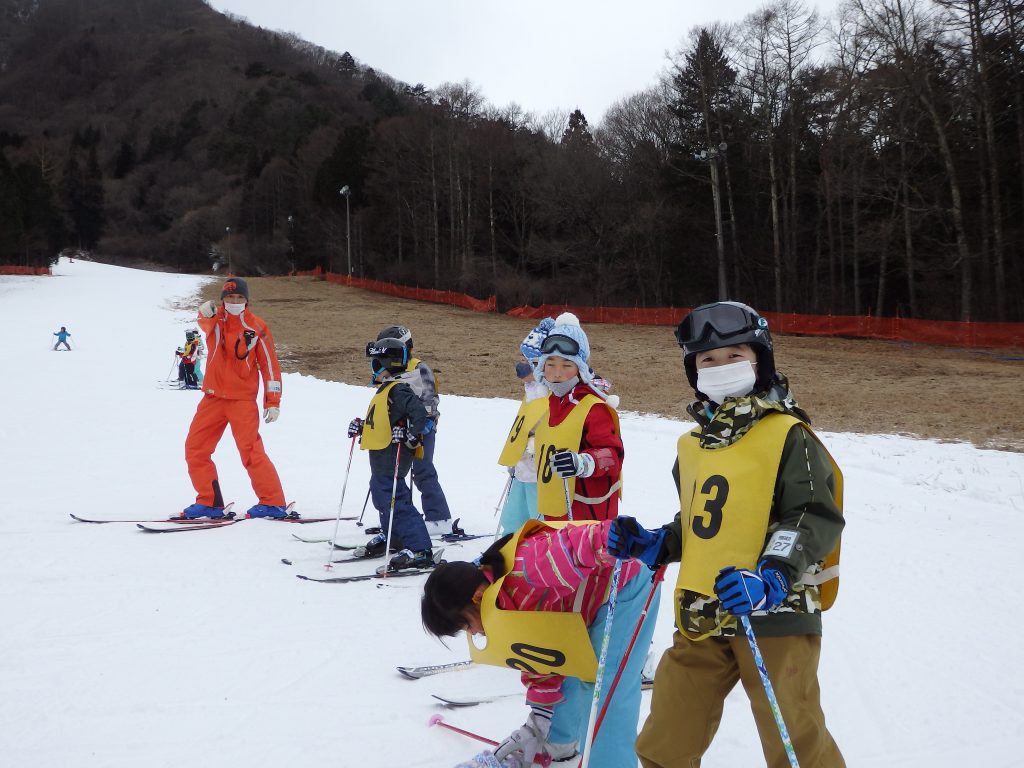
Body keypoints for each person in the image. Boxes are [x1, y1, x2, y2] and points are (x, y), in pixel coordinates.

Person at [607, 300, 846, 768]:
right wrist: (657, 542)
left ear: (761, 360)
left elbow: (811, 515)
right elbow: (701, 521)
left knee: (793, 737)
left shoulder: (787, 434)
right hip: (703, 609)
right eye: (707, 360)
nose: (720, 368)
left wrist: (772, 575)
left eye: (734, 355)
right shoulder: (693, 445)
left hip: (776, 610)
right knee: (666, 737)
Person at [422, 519, 660, 768]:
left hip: (624, 586)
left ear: (477, 597)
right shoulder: (500, 605)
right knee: (571, 663)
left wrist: (613, 536)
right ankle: (558, 740)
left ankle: (611, 762)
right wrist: (541, 719)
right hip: (584, 603)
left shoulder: (528, 567)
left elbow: (575, 545)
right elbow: (541, 656)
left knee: (603, 684)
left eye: (467, 626)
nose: (474, 633)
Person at [180, 277, 288, 519]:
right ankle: (209, 501)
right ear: (223, 300)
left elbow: (270, 366)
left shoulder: (257, 327)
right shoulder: (215, 322)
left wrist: (272, 401)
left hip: (242, 402)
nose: (235, 301)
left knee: (251, 452)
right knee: (195, 448)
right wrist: (204, 312)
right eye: (230, 297)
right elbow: (204, 321)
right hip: (213, 399)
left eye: (239, 297)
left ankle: (273, 502)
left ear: (247, 300)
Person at [347, 332, 434, 572]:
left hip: (393, 453)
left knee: (395, 499)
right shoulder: (386, 389)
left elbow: (419, 413)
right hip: (381, 455)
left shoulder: (399, 390)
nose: (372, 368)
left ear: (387, 365)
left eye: (375, 364)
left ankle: (419, 549)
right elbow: (383, 421)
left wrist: (411, 435)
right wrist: (362, 427)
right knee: (382, 496)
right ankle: (394, 536)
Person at [533, 313, 622, 521]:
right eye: (550, 364)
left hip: (586, 516)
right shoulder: (553, 403)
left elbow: (613, 455)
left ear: (580, 369)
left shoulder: (593, 408)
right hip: (556, 509)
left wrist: (584, 462)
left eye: (566, 365)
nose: (557, 373)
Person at [371, 325, 454, 536]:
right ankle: (402, 519)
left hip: (422, 428)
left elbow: (430, 399)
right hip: (396, 431)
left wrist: (419, 423)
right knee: (395, 474)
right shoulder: (391, 368)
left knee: (422, 469)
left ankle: (439, 517)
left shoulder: (419, 367)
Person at [495, 318, 554, 536]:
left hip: (540, 471)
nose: (520, 367)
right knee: (513, 517)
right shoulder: (531, 391)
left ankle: (533, 554)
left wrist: (533, 444)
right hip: (522, 467)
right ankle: (508, 547)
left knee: (536, 517)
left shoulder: (551, 394)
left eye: (526, 361)